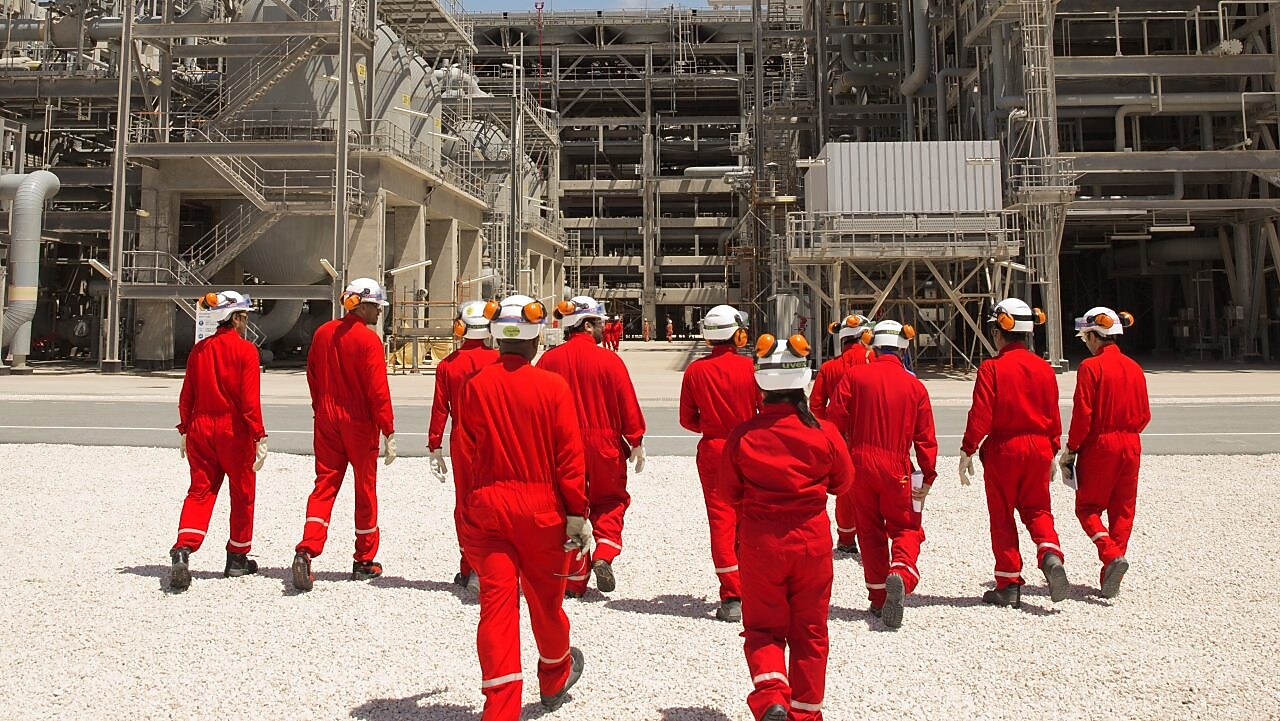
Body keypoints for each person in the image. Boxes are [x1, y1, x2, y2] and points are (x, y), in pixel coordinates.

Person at [455, 294, 588, 720]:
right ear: (535, 338)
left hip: (488, 509)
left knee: (497, 608)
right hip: (540, 511)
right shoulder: (552, 387)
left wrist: (469, 512)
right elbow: (570, 459)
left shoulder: (475, 386)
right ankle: (554, 676)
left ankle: (500, 709)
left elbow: (468, 454)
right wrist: (578, 515)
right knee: (546, 605)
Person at [721, 332, 853, 721]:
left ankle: (772, 693)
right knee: (811, 633)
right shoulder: (823, 432)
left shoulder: (744, 436)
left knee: (763, 629)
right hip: (811, 541)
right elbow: (843, 483)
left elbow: (729, 494)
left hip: (761, 543)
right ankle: (806, 714)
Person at [959, 298, 1069, 608]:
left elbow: (981, 413)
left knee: (1002, 515)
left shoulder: (992, 368)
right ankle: (1050, 553)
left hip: (1004, 449)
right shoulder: (1045, 369)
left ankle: (1008, 583)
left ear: (999, 332)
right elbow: (1053, 414)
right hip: (1039, 447)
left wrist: (968, 449)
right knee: (1038, 509)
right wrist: (1053, 450)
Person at [827, 320, 937, 628]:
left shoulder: (854, 376)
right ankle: (900, 572)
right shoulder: (914, 385)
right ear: (903, 346)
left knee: (870, 531)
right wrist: (927, 475)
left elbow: (834, 419)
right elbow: (925, 437)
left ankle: (878, 599)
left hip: (859, 463)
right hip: (897, 466)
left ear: (872, 346)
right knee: (906, 527)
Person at [291, 278, 397, 591]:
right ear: (361, 305)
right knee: (365, 489)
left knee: (324, 485)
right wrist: (388, 429)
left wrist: (320, 408)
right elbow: (378, 391)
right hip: (359, 423)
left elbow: (311, 375)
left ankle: (307, 549)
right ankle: (364, 560)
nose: (379, 312)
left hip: (325, 419)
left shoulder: (323, 333)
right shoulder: (368, 341)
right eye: (376, 306)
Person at [538, 295, 646, 597]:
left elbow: (539, 407)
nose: (604, 327)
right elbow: (627, 405)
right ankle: (605, 553)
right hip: (604, 445)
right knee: (610, 501)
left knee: (570, 508)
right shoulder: (610, 361)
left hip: (562, 447)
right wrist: (635, 440)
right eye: (600, 322)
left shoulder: (548, 360)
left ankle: (574, 581)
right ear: (586, 325)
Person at [168, 291, 267, 591]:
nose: (246, 324)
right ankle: (237, 558)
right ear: (234, 318)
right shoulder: (246, 351)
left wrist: (185, 429)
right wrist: (259, 434)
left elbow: (187, 395)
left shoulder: (199, 351)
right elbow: (249, 401)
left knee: (200, 491)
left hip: (200, 427)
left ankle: (184, 548)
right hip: (233, 432)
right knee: (242, 493)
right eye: (244, 318)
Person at [1060, 306, 1151, 598]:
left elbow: (1083, 414)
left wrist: (1072, 449)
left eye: (1086, 337)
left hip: (1101, 444)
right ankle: (1111, 574)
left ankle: (1110, 555)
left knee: (1087, 508)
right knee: (1122, 510)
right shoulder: (1135, 368)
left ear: (1095, 336)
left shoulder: (1090, 367)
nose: (1085, 342)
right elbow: (1145, 415)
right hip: (1132, 443)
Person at [679, 304, 760, 622]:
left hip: (713, 451)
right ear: (735, 333)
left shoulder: (695, 371)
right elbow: (763, 409)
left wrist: (712, 427)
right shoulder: (750, 368)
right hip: (747, 447)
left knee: (721, 521)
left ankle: (731, 596)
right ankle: (755, 586)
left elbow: (687, 420)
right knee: (750, 517)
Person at [428, 300, 500, 594]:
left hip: (463, 441)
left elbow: (439, 409)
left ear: (461, 328)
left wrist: (435, 445)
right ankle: (498, 565)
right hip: (498, 440)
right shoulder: (499, 360)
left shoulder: (448, 366)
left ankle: (469, 566)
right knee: (497, 499)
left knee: (466, 504)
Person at [809, 313, 875, 554]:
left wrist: (829, 429)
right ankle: (875, 537)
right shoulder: (874, 361)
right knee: (874, 488)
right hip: (872, 435)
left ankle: (847, 539)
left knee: (845, 489)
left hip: (839, 438)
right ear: (866, 335)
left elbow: (815, 405)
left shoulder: (829, 367)